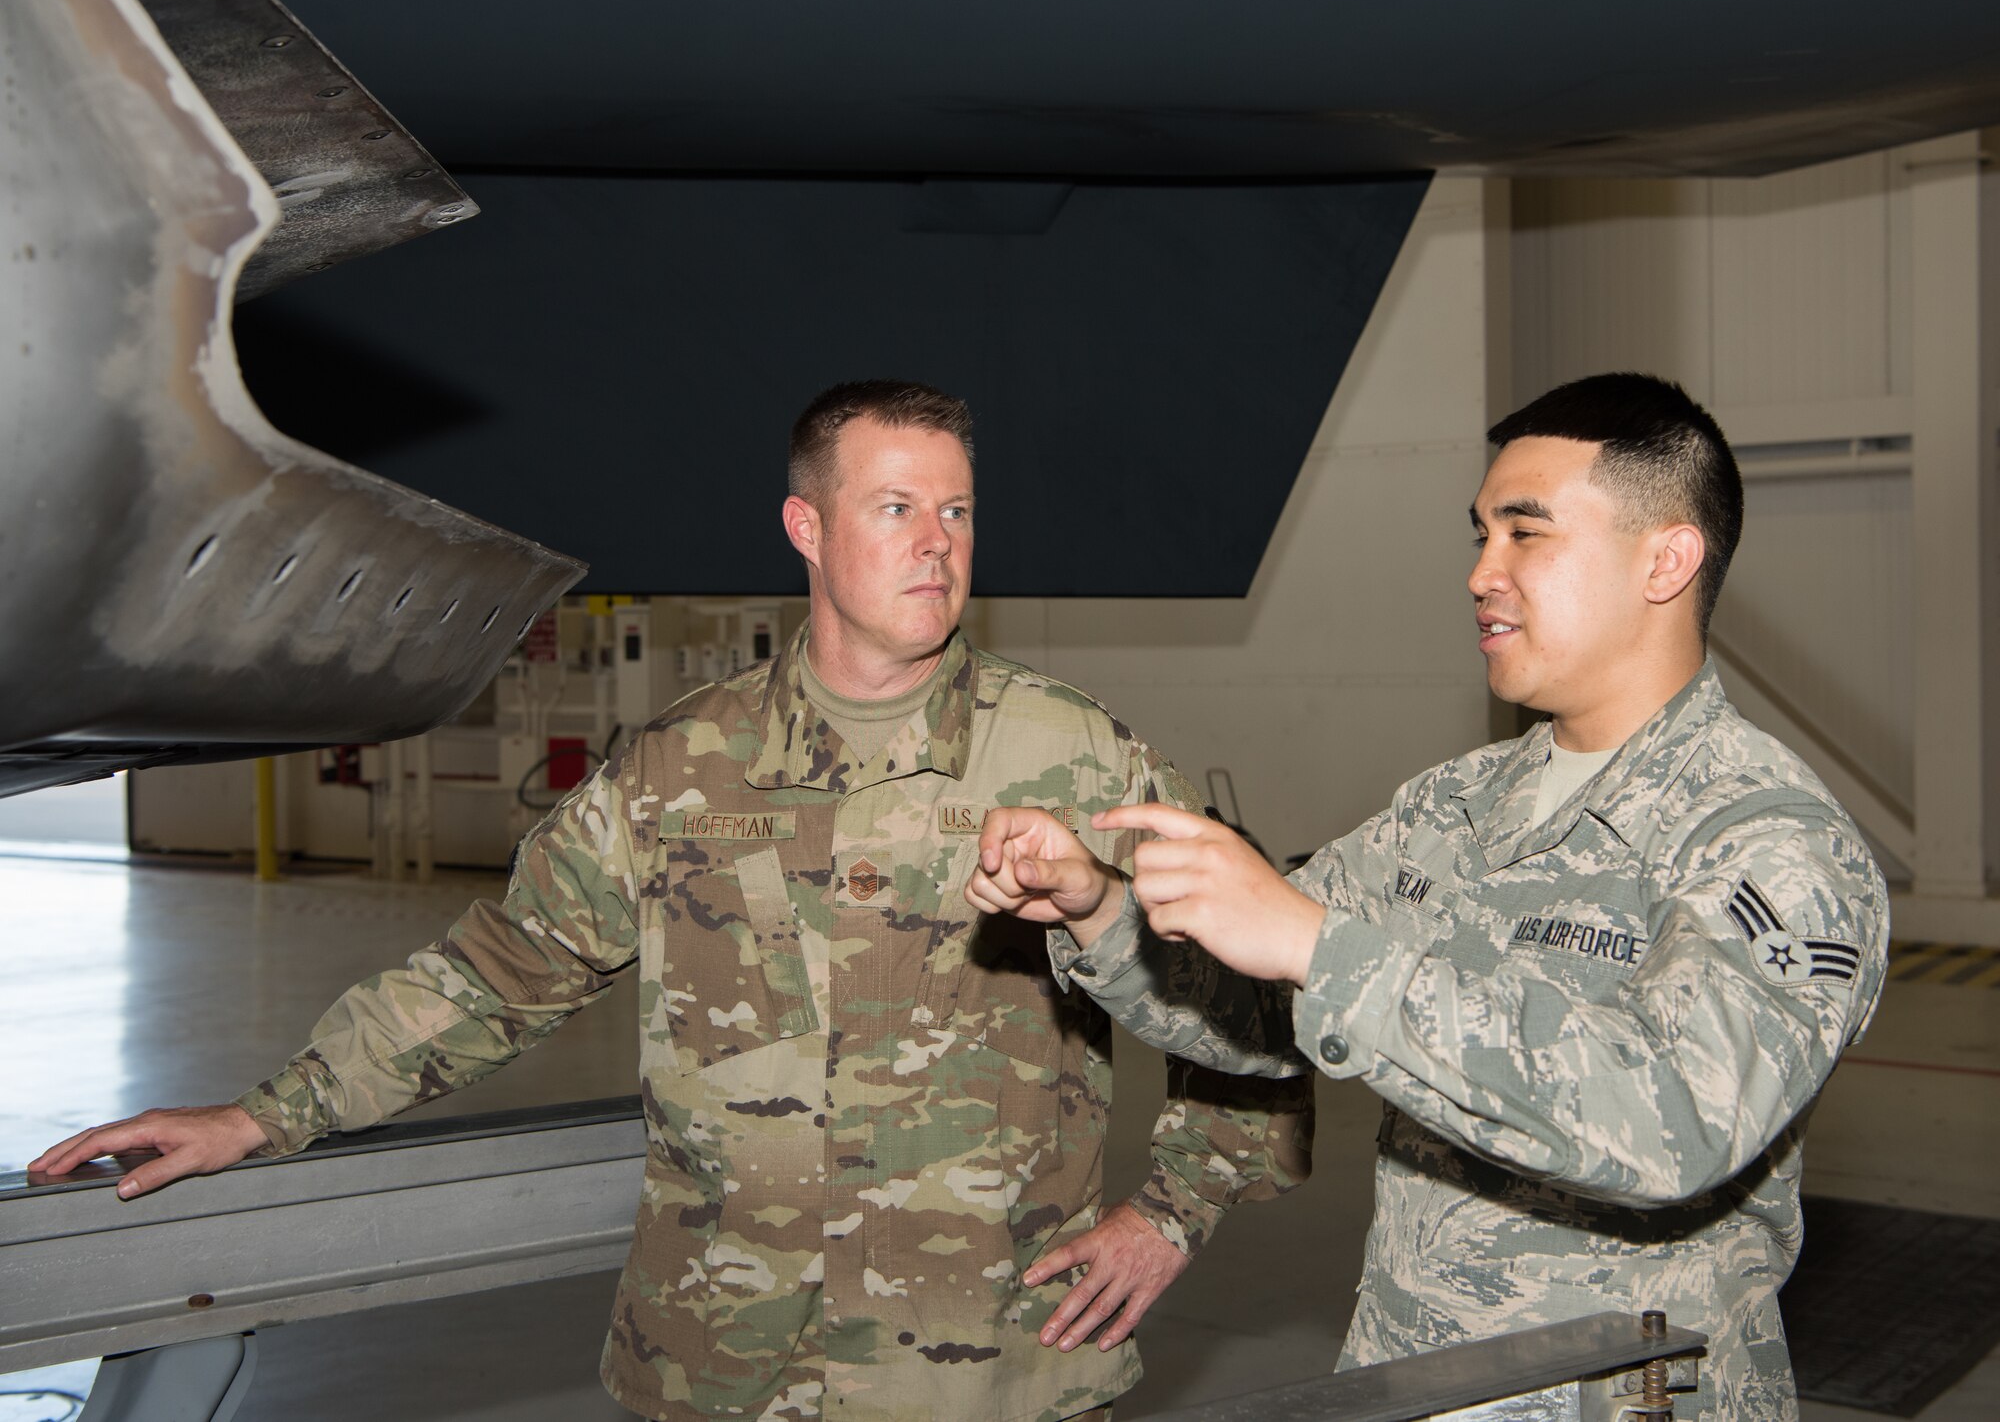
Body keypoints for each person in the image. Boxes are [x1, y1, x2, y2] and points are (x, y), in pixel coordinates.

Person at [33, 380, 1313, 1422]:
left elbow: (1251, 997)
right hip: (721, 1363)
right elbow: (499, 973)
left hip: (982, 1371)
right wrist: (266, 1115)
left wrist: (1171, 1212)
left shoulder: (1073, 759)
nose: (938, 543)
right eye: (895, 506)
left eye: (960, 510)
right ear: (806, 529)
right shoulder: (677, 770)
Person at [966, 373, 1888, 1420]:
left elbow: (1675, 1120)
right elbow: (1261, 1020)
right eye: (1477, 534)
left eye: (1523, 533)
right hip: (1413, 1384)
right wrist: (1096, 909)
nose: (1479, 573)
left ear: (1664, 560)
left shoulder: (1764, 839)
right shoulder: (1450, 806)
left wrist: (1321, 947)